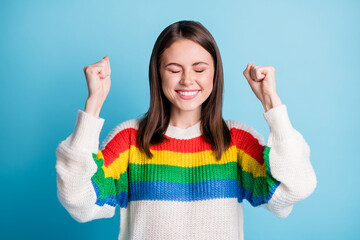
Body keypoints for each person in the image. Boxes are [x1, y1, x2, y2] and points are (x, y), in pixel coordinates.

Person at [56, 20, 317, 240]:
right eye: (173, 69)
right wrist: (94, 104)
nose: (187, 80)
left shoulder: (236, 142)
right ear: (158, 74)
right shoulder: (130, 140)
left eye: (200, 69)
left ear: (215, 73)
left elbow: (294, 188)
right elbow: (79, 202)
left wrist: (271, 102)